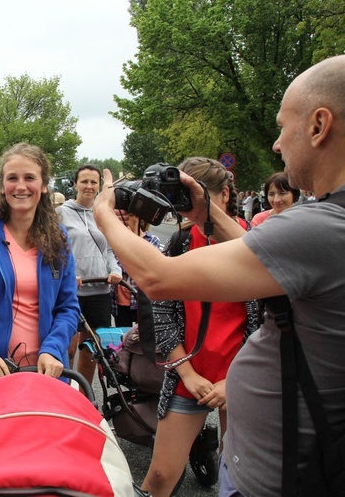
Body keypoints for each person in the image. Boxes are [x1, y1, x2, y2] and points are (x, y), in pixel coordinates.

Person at [93, 55, 345, 497]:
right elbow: (252, 254)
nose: (276, 145)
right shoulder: (323, 222)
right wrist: (208, 217)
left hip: (285, 477)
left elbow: (157, 278)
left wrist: (104, 212)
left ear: (319, 125)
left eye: (283, 126)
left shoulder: (320, 227)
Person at [141, 157, 260, 497]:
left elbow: (267, 321)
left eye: (198, 196)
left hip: (244, 376)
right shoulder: (179, 242)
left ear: (225, 194)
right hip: (189, 375)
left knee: (240, 475)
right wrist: (187, 372)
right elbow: (161, 312)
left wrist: (234, 379)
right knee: (161, 475)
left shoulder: (255, 242)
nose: (190, 207)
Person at [0, 143, 80, 381]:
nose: (20, 186)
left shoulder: (57, 237)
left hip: (46, 372)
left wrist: (53, 349)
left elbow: (67, 307)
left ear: (44, 185)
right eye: (12, 178)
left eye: (29, 177)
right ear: (3, 186)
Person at [56, 164, 122, 387]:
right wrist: (67, 275)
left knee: (92, 348)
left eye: (94, 182)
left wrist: (115, 270)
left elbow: (110, 249)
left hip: (100, 290)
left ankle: (84, 395)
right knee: (69, 347)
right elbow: (53, 250)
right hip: (71, 292)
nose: (89, 186)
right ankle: (63, 393)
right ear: (75, 184)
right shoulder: (61, 213)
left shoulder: (103, 214)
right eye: (84, 181)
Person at [110, 209, 161, 328]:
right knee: (122, 336)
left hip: (144, 297)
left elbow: (150, 268)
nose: (124, 219)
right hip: (121, 298)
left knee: (144, 336)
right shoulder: (116, 239)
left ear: (137, 217)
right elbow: (115, 265)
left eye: (128, 215)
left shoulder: (152, 240)